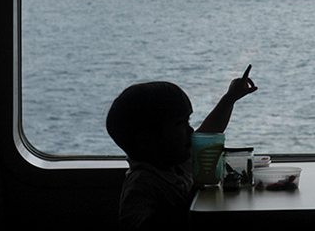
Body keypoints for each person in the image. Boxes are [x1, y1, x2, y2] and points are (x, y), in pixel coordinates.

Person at [106, 65, 257, 231]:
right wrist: (188, 205)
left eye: (188, 121)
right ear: (147, 141)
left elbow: (210, 131)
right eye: (180, 124)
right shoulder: (141, 184)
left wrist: (230, 98)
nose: (190, 130)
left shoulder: (176, 163)